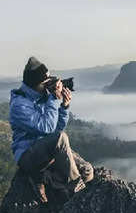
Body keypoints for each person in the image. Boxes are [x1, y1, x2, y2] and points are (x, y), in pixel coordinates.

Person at [9, 56, 93, 203]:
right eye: (45, 83)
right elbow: (47, 128)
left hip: (47, 151)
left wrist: (64, 106)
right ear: (34, 84)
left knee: (87, 171)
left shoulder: (43, 96)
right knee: (61, 139)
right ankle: (73, 189)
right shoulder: (19, 105)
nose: (49, 86)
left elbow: (56, 128)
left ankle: (48, 180)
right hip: (28, 156)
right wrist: (53, 99)